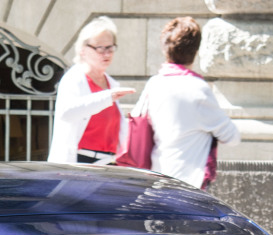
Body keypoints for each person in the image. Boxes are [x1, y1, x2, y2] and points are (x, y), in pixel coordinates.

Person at [136, 16, 239, 191]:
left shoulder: (154, 84)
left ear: (165, 48)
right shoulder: (198, 89)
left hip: (156, 177)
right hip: (188, 184)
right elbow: (232, 137)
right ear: (196, 50)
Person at [48, 16, 134, 165]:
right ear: (83, 50)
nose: (106, 54)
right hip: (79, 162)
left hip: (108, 163)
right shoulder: (73, 79)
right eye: (100, 48)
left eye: (110, 48)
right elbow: (67, 112)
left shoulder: (112, 83)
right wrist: (107, 97)